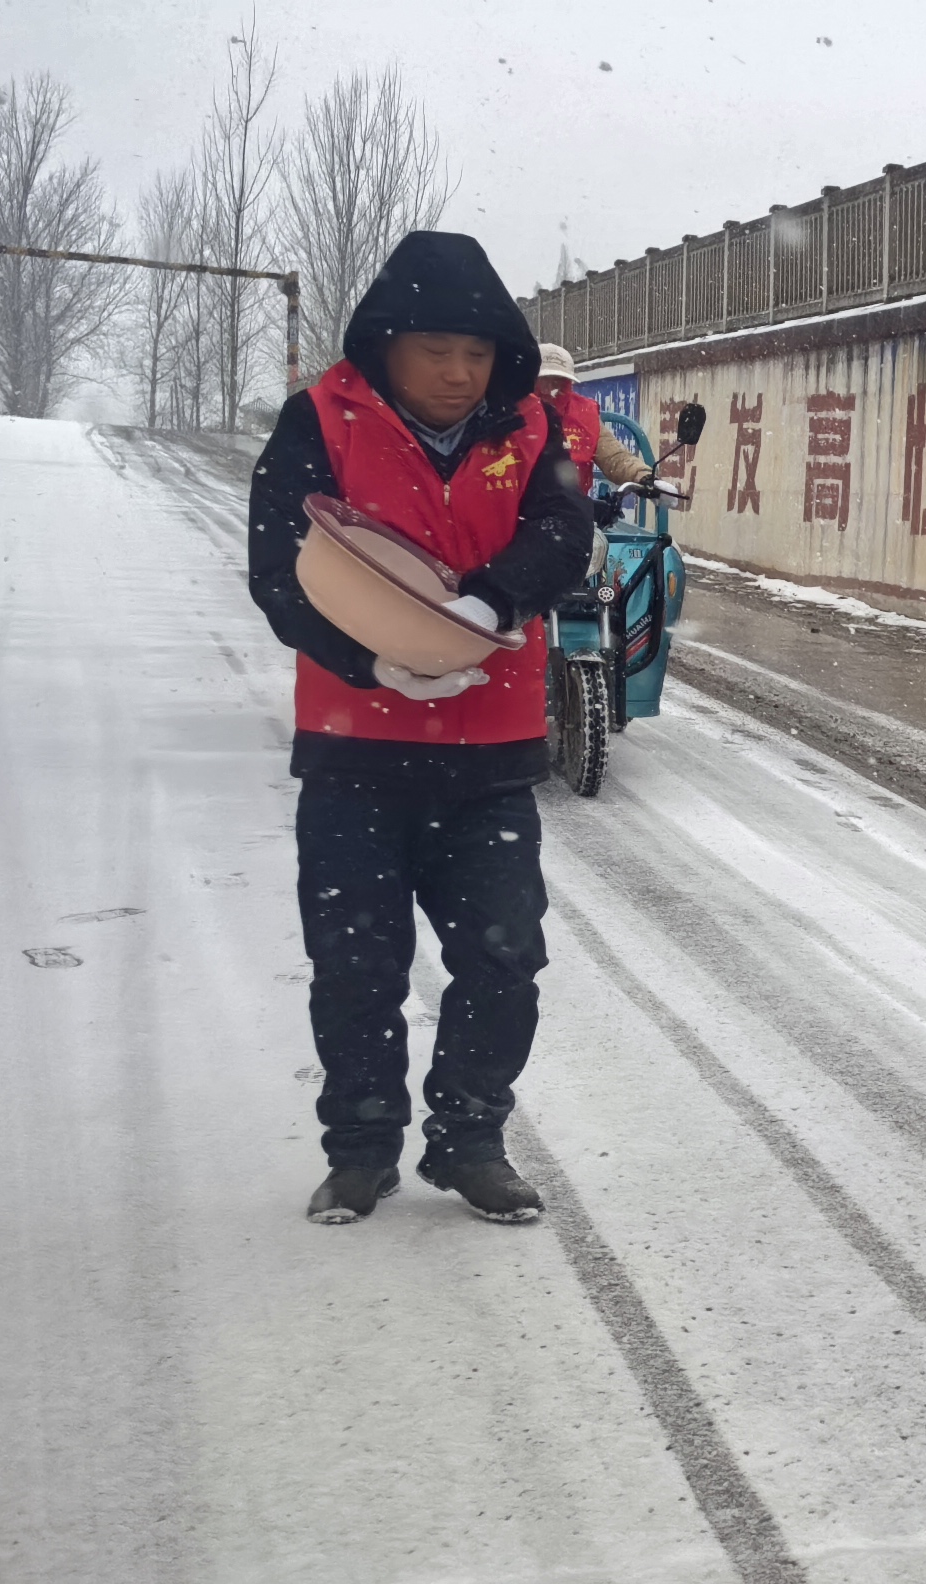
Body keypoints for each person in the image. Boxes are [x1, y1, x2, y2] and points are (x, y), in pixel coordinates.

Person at [246, 232, 598, 1226]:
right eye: (436, 349)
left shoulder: (532, 433)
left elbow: (565, 532)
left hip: (486, 759)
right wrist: (367, 661)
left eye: (478, 353)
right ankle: (359, 1149)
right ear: (387, 344)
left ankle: (469, 1139)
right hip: (354, 754)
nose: (458, 372)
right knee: (356, 963)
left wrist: (492, 602)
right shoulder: (321, 419)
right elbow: (279, 563)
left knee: (504, 955)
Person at [534, 344, 656, 494]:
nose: (548, 389)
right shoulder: (516, 412)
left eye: (556, 381)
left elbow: (613, 457)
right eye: (542, 380)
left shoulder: (584, 414)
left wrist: (643, 476)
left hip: (573, 508)